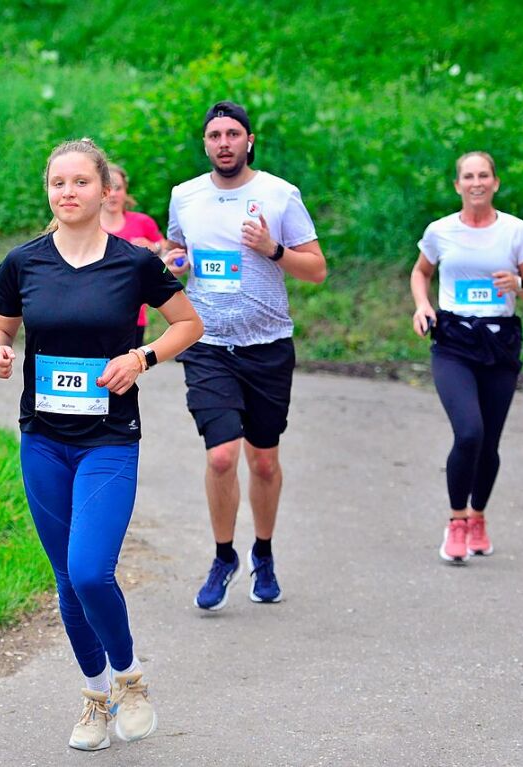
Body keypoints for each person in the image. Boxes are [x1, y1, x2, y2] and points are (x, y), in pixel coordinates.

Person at [0, 138, 202, 751]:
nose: (68, 193)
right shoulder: (21, 264)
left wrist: (142, 356)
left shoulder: (133, 264)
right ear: (48, 190)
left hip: (109, 438)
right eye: (58, 183)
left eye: (81, 182)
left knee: (89, 570)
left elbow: (189, 324)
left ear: (106, 190)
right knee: (65, 578)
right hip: (44, 440)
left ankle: (130, 680)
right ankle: (94, 696)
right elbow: (0, 325)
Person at [161, 101, 326, 611]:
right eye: (215, 135)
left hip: (268, 347)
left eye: (233, 134)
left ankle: (265, 552)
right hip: (208, 345)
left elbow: (316, 269)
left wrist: (273, 250)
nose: (224, 143)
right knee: (221, 455)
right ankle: (223, 555)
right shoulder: (185, 196)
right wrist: (174, 259)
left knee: (265, 462)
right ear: (205, 144)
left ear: (249, 141)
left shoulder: (279, 194)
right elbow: (175, 250)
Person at [410, 151, 523, 564]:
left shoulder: (515, 231)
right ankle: (456, 522)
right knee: (468, 432)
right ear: (457, 185)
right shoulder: (440, 231)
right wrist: (422, 305)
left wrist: (518, 282)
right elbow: (421, 272)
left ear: (495, 182)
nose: (476, 183)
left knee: (489, 443)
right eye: (468, 176)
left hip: (500, 344)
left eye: (483, 175)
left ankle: (478, 516)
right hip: (453, 342)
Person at [100, 163, 165, 347]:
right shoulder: (88, 227)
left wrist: (154, 246)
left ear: (125, 190)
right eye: (108, 188)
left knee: (124, 374)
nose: (113, 194)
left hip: (133, 318)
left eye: (118, 188)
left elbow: (167, 249)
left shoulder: (142, 222)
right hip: (93, 314)